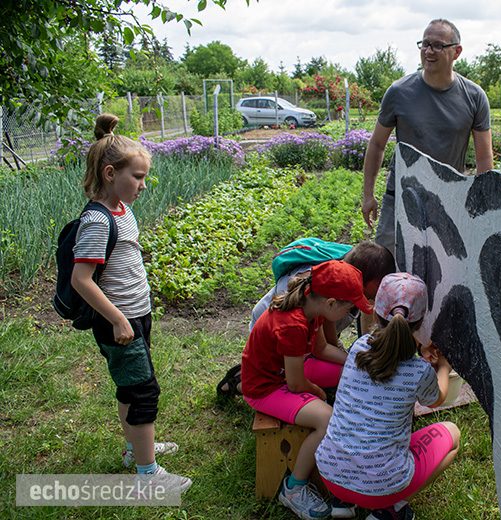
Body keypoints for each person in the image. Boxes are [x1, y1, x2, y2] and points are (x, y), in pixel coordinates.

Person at [71, 114, 190, 492]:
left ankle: (135, 449)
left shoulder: (122, 209)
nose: (143, 184)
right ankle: (147, 474)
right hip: (120, 321)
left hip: (137, 314)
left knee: (129, 386)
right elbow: (81, 280)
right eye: (136, 177)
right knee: (143, 391)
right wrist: (119, 319)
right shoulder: (96, 220)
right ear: (109, 173)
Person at [316, 273, 460, 520]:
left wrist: (418, 348)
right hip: (381, 487)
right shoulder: (419, 371)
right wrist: (444, 367)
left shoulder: (359, 348)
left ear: (374, 313)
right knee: (452, 434)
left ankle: (342, 504)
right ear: (421, 321)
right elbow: (439, 398)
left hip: (330, 474)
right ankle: (391, 511)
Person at [241, 260, 374, 520]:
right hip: (265, 388)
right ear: (332, 304)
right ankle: (294, 488)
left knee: (351, 374)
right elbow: (295, 384)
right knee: (327, 419)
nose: (352, 312)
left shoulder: (311, 307)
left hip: (287, 373)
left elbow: (321, 350)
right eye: (351, 307)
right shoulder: (293, 325)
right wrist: (320, 394)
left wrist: (358, 363)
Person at [362, 18, 494, 257]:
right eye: (425, 44)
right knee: (385, 267)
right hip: (401, 197)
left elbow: (484, 156)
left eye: (437, 45)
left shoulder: (474, 97)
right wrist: (368, 194)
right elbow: (377, 144)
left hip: (448, 201)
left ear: (457, 52)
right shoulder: (399, 92)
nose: (428, 51)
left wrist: (480, 202)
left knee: (445, 272)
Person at [217, 241, 395, 398]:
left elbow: (324, 344)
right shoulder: (306, 303)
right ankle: (241, 381)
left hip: (304, 339)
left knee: (341, 371)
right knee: (293, 377)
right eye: (368, 295)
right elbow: (299, 377)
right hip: (279, 347)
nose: (371, 300)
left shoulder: (346, 272)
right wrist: (319, 390)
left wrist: (355, 358)